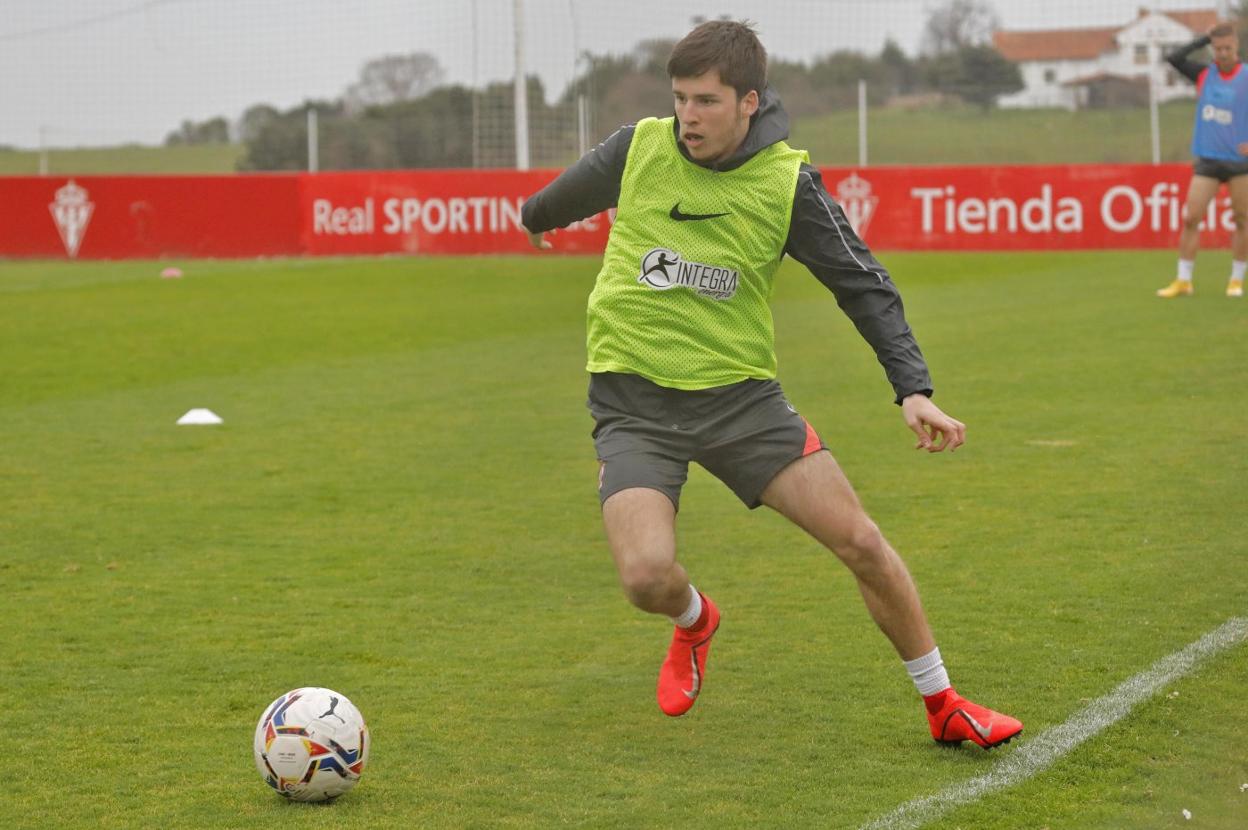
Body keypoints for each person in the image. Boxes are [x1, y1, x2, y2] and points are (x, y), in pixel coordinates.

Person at [520, 20, 1022, 749]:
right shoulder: (640, 148)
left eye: (706, 101)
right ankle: (695, 620)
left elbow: (864, 285)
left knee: (861, 541)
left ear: (749, 102)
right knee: (645, 577)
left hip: (739, 403)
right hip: (633, 403)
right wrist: (536, 218)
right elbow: (556, 200)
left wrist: (911, 387)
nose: (687, 115)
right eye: (680, 98)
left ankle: (943, 702)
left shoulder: (788, 184)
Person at [1158, 21, 1248, 298]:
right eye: (1218, 48)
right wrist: (1201, 39)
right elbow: (1173, 58)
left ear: (1237, 47)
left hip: (1240, 164)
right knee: (1191, 218)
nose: (1223, 53)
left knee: (1243, 220)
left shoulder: (1246, 77)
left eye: (1228, 48)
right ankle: (1184, 280)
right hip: (1208, 160)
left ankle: (1236, 280)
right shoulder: (1203, 74)